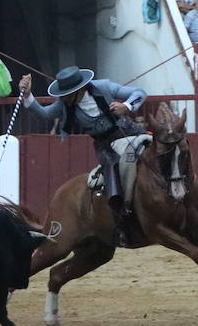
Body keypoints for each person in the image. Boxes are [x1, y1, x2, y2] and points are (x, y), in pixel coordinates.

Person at [20, 67, 146, 222]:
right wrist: (27, 96)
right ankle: (119, 211)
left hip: (129, 131)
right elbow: (44, 114)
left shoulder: (104, 87)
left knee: (156, 151)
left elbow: (139, 92)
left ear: (80, 90)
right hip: (105, 144)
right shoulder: (64, 104)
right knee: (111, 166)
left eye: (68, 94)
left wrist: (126, 106)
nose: (64, 98)